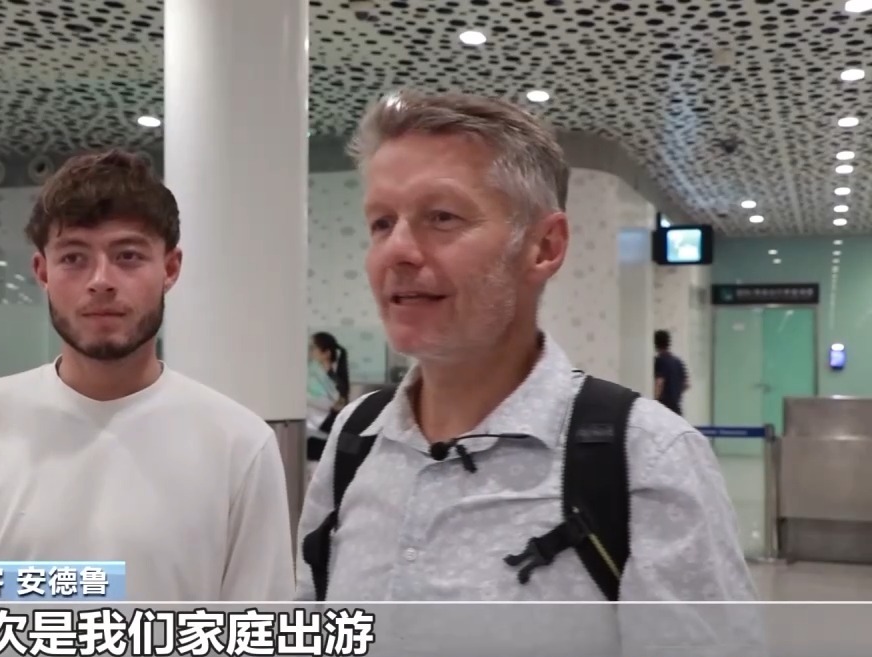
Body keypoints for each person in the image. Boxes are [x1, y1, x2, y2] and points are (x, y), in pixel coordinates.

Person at [295, 90, 761, 651]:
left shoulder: (646, 460)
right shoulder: (355, 441)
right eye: (381, 222)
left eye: (441, 217)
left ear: (544, 245)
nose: (397, 250)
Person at [0, 149, 294, 601]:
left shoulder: (240, 445)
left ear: (170, 268)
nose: (101, 280)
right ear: (42, 272)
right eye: (74, 258)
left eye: (128, 255)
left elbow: (259, 628)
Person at [654, 329, 689, 416]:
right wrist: (675, 391)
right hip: (677, 409)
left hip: (664, 408)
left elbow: (659, 382)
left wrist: (655, 402)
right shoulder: (678, 362)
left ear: (655, 344)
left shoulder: (660, 360)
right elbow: (686, 385)